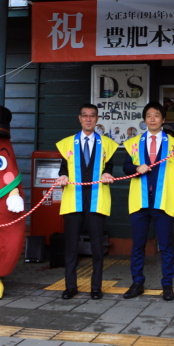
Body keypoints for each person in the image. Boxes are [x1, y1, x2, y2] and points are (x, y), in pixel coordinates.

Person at [122, 102, 174, 301]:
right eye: (149, 115)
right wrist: (136, 168)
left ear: (163, 119)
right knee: (138, 245)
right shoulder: (133, 143)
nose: (152, 119)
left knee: (166, 244)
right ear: (145, 120)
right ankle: (137, 283)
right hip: (139, 202)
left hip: (163, 201)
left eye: (156, 115)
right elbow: (125, 167)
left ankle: (167, 285)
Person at [55, 104, 118, 300]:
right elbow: (63, 168)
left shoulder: (107, 144)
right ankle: (70, 286)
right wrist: (63, 176)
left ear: (97, 119)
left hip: (96, 200)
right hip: (73, 199)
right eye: (85, 116)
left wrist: (108, 173)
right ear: (79, 118)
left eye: (92, 116)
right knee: (71, 246)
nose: (89, 119)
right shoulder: (67, 144)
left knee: (98, 247)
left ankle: (96, 287)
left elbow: (110, 168)